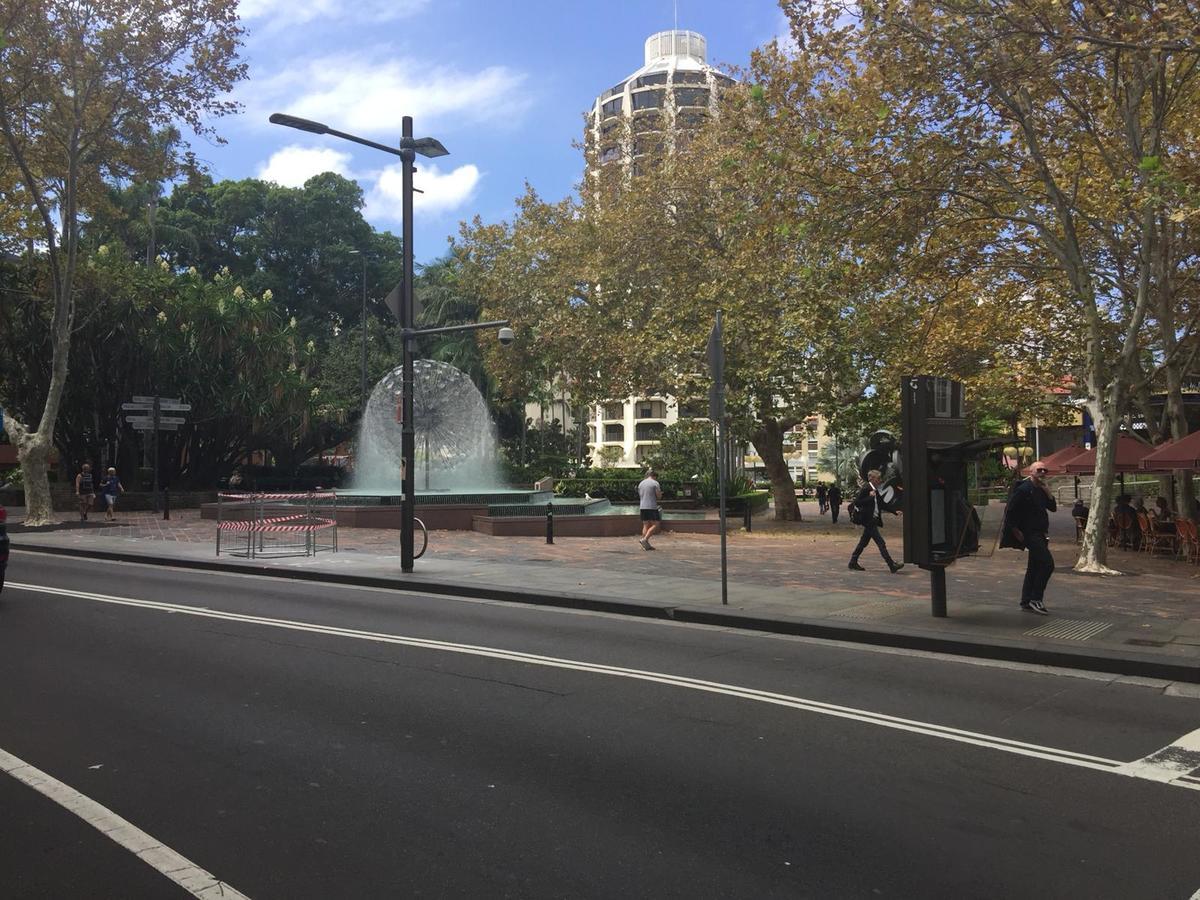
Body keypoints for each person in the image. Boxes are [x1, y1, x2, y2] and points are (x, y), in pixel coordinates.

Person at [1000, 461, 1057, 615]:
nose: (1043, 472)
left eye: (1045, 470)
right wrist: (1015, 530)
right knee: (1047, 564)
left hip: (1041, 533)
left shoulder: (1041, 489)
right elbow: (1010, 510)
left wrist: (1048, 492)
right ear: (1031, 472)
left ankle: (1026, 601)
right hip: (1030, 533)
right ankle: (1035, 598)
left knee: (1034, 566)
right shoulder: (1024, 489)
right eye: (1039, 470)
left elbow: (1053, 508)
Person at [848, 469, 903, 573]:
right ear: (871, 479)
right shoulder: (866, 489)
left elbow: (882, 504)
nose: (880, 480)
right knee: (881, 543)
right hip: (869, 521)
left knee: (863, 542)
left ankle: (853, 561)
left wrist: (895, 511)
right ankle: (891, 565)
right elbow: (858, 502)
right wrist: (870, 497)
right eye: (878, 478)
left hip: (872, 520)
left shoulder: (874, 490)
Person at [637, 468, 663, 551]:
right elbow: (658, 496)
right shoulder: (655, 483)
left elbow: (640, 495)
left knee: (645, 525)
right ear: (654, 476)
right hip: (651, 506)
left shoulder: (641, 483)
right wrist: (660, 494)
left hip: (642, 506)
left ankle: (645, 545)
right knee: (656, 524)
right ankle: (645, 539)